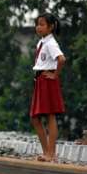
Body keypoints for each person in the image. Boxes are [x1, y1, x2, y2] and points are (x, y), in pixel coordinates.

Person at [30, 13, 66, 162]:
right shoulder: (41, 42)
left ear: (51, 27)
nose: (39, 27)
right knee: (35, 118)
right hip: (40, 80)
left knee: (50, 115)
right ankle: (47, 152)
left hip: (47, 80)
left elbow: (61, 59)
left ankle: (51, 154)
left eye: (42, 24)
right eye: (37, 24)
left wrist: (55, 75)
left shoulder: (51, 43)